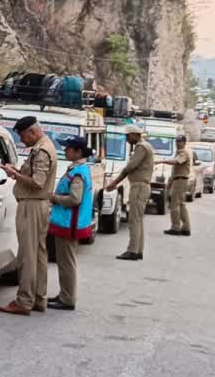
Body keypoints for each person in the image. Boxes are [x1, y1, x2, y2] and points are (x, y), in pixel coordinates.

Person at [0, 116, 58, 316]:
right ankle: (38, 298)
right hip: (39, 205)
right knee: (39, 254)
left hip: (32, 206)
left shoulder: (41, 151)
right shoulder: (46, 146)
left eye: (23, 136)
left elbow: (37, 182)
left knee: (27, 255)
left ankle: (24, 301)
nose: (22, 141)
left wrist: (13, 174)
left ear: (32, 132)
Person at [46, 138, 96, 311]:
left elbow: (75, 199)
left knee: (67, 262)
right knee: (64, 261)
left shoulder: (78, 172)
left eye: (68, 149)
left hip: (70, 223)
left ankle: (67, 298)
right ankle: (64, 294)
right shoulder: (78, 169)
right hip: (67, 222)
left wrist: (54, 198)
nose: (65, 151)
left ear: (78, 152)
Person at [106, 125, 153, 261]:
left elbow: (129, 167)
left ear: (134, 134)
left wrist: (114, 182)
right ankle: (137, 250)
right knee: (138, 220)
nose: (126, 138)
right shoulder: (145, 146)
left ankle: (132, 250)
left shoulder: (141, 147)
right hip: (141, 186)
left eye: (128, 136)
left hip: (139, 186)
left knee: (134, 220)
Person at [161, 135, 193, 236]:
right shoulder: (179, 153)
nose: (177, 143)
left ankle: (176, 227)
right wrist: (170, 182)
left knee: (174, 204)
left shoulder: (184, 153)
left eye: (179, 141)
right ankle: (186, 228)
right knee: (181, 204)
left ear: (184, 142)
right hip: (178, 180)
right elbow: (175, 170)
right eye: (176, 141)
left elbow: (176, 162)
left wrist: (162, 161)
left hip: (181, 180)